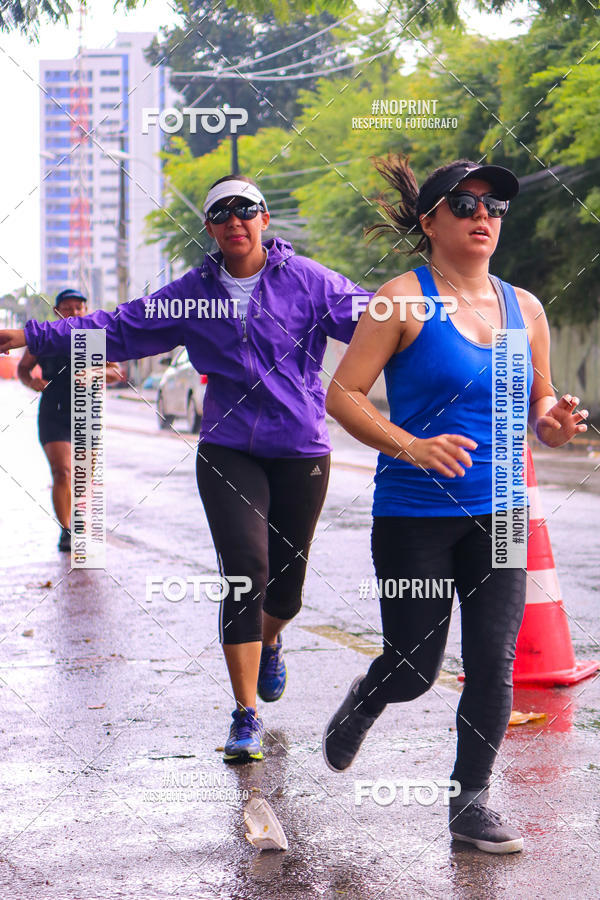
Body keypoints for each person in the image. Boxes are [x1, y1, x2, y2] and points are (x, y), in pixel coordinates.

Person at [0, 175, 371, 763]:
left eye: (245, 209)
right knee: (246, 570)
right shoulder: (191, 295)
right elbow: (117, 328)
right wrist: (29, 333)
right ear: (210, 228)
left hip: (301, 449)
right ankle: (245, 713)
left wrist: (447, 319)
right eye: (221, 212)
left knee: (288, 590)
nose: (234, 220)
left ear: (264, 219)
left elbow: (379, 324)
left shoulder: (310, 281)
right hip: (227, 448)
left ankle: (272, 640)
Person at [321, 156, 588, 854]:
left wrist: (553, 421)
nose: (483, 218)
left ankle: (470, 805)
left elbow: (536, 402)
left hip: (500, 511)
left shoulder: (522, 307)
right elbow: (342, 394)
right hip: (414, 514)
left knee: (492, 664)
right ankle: (367, 698)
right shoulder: (400, 300)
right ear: (430, 219)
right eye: (465, 205)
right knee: (413, 665)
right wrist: (409, 444)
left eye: (494, 208)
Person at [17, 289, 124, 552]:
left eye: (79, 307)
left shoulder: (95, 338)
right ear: (57, 311)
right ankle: (66, 531)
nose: (74, 312)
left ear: (85, 310)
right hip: (54, 411)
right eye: (68, 308)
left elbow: (115, 372)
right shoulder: (45, 338)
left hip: (87, 413)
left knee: (82, 477)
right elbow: (23, 368)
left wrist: (94, 372)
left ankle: (77, 518)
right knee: (62, 472)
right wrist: (32, 382)